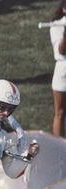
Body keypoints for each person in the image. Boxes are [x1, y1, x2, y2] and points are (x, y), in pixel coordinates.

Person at [50, 0, 66, 137]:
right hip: (62, 71)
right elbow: (61, 51)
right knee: (59, 112)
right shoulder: (56, 26)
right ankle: (59, 149)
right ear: (64, 10)